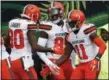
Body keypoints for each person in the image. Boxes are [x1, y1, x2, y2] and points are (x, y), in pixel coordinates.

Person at [6, 4, 61, 80]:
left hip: (12, 61)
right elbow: (35, 46)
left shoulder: (12, 22)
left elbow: (7, 41)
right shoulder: (29, 24)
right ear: (34, 15)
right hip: (24, 62)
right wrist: (52, 49)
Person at [37, 2, 74, 80]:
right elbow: (39, 50)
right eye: (50, 13)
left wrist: (73, 63)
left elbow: (72, 46)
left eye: (54, 13)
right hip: (53, 59)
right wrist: (50, 64)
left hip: (67, 61)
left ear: (61, 12)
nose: (51, 16)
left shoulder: (69, 24)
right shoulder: (46, 26)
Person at [65, 9, 107, 79]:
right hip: (81, 64)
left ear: (79, 22)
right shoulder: (70, 36)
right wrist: (53, 65)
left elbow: (103, 45)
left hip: (92, 62)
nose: (69, 25)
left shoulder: (87, 30)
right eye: (68, 22)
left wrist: (96, 59)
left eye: (71, 23)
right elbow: (66, 55)